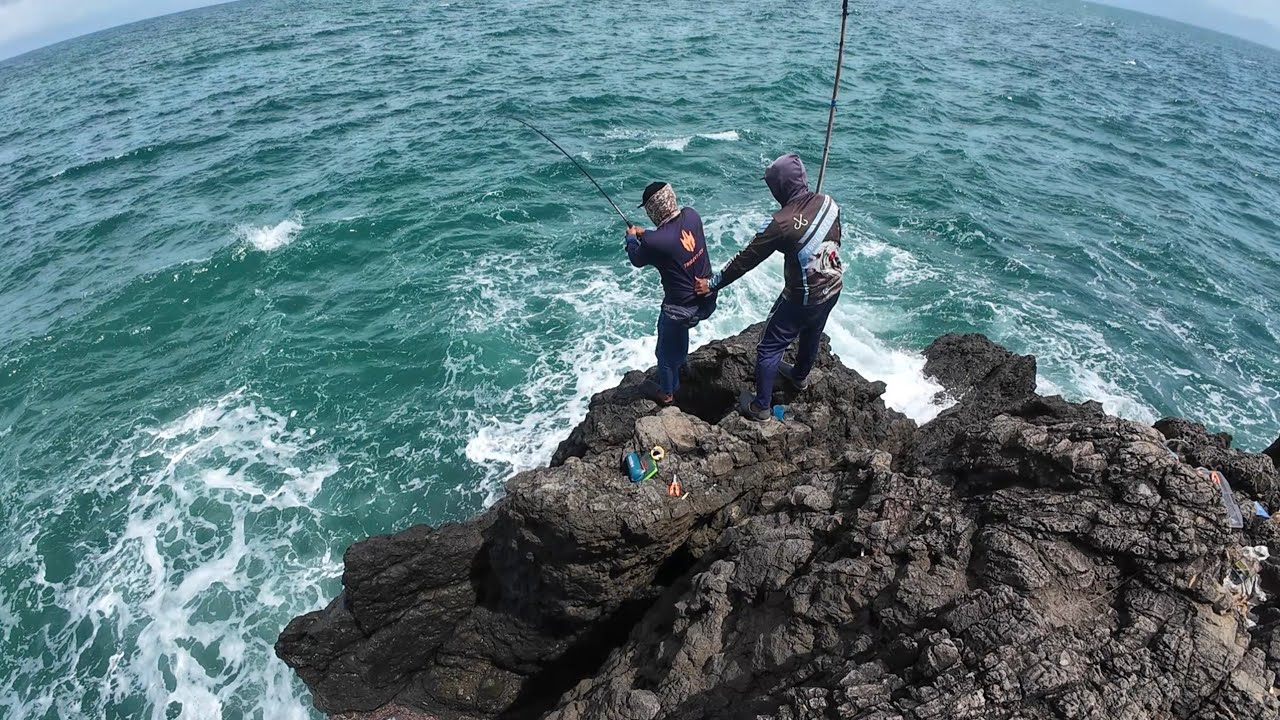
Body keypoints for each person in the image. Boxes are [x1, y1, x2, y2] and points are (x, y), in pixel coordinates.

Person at [696, 153, 843, 421]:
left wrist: (713, 284)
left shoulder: (781, 223)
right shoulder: (829, 203)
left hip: (803, 297)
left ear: (780, 187)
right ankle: (799, 378)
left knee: (768, 347)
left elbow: (745, 260)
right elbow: (836, 239)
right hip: (833, 284)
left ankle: (761, 406)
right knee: (813, 331)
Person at [626, 181, 717, 405]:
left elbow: (637, 258)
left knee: (664, 354)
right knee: (679, 333)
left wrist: (630, 237)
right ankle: (683, 363)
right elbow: (670, 238)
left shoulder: (654, 241)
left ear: (652, 210)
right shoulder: (691, 215)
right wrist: (644, 234)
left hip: (680, 310)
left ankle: (667, 393)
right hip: (706, 302)